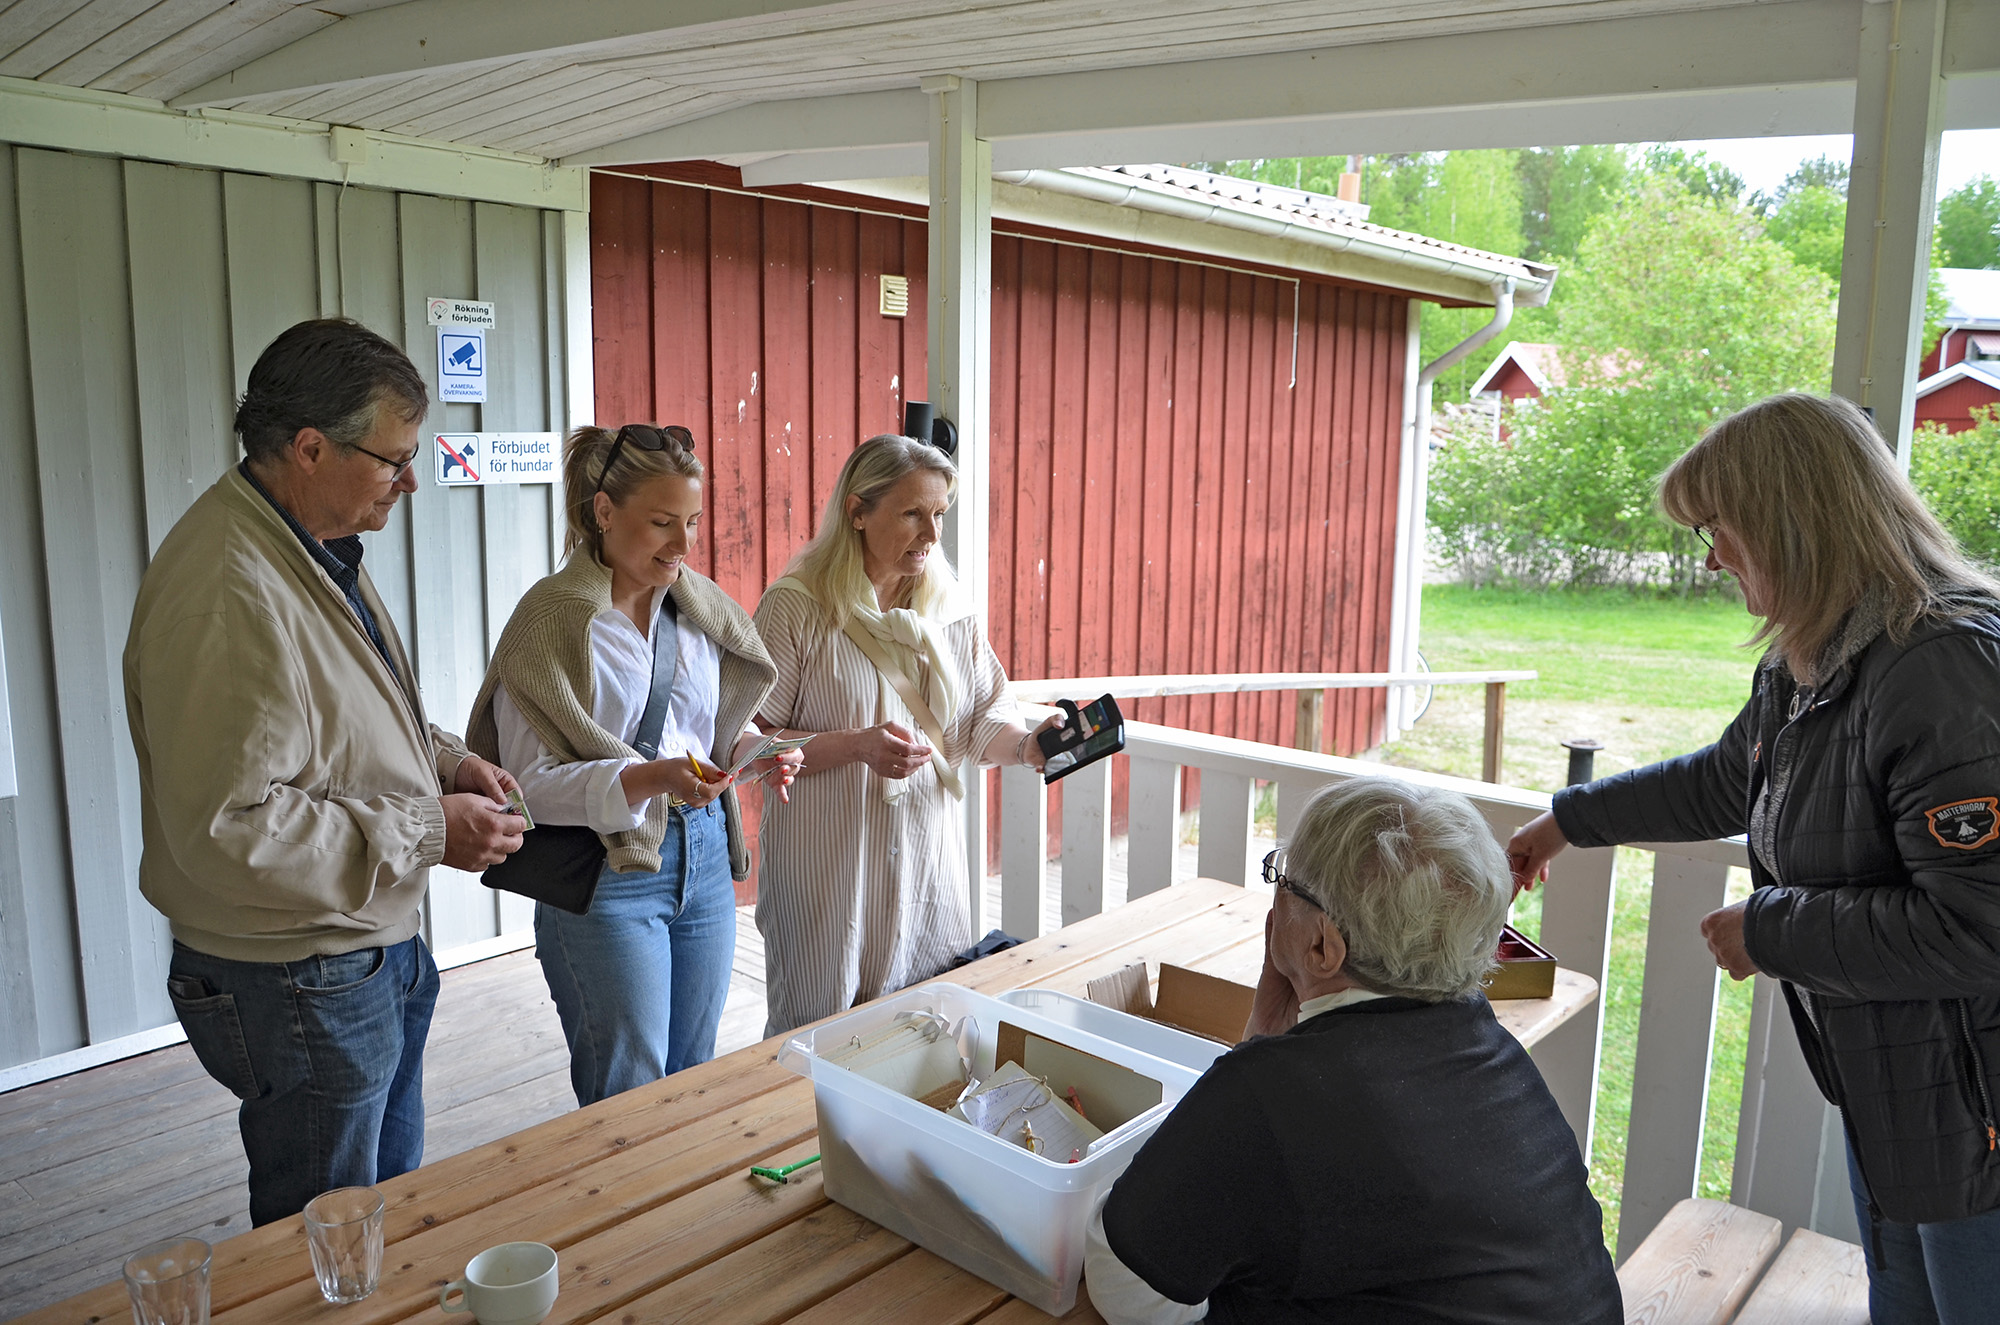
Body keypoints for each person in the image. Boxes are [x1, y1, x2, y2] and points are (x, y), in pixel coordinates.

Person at [1506, 392, 2000, 1325]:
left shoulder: (1944, 668)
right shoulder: (1812, 660)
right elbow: (1728, 778)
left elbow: (1978, 927)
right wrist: (1566, 821)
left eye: (1718, 528)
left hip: (1980, 1120)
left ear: (1789, 522)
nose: (1711, 557)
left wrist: (1770, 928)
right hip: (1904, 1097)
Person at [123, 318, 525, 1226]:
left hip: (351, 954)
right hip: (299, 977)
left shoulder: (303, 542)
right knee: (323, 1238)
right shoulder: (230, 591)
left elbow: (348, 717)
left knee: (373, 1212)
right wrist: (431, 826)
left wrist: (450, 761)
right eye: (395, 460)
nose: (410, 481)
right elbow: (232, 828)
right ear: (309, 448)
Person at [1086, 775, 1621, 1324]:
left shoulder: (1274, 1094)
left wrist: (1256, 1061)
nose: (1274, 896)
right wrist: (1265, 1043)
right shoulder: (1490, 1048)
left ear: (1323, 945)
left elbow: (1125, 1286)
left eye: (1284, 879)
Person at [465, 424, 793, 1106]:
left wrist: (752, 753)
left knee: (694, 1074)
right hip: (606, 873)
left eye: (692, 522)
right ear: (604, 511)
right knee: (629, 1091)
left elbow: (707, 733)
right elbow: (526, 788)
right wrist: (652, 779)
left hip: (705, 856)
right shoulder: (552, 622)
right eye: (662, 523)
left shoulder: (698, 609)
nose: (683, 544)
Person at [751, 433, 1056, 1035]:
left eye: (939, 514)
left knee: (929, 1035)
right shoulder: (796, 607)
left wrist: (1028, 746)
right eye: (913, 513)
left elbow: (981, 718)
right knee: (816, 1040)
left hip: (927, 862)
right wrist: (855, 745)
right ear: (857, 511)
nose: (932, 534)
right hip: (828, 871)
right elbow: (752, 741)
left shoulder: (951, 609)